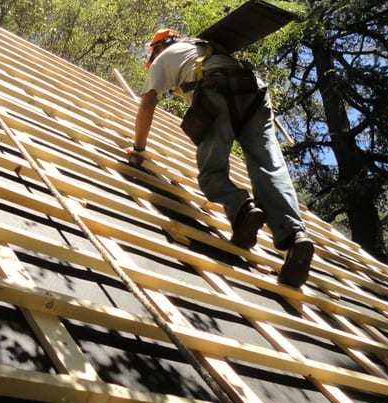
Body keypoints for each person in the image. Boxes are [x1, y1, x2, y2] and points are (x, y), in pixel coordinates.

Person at [127, 28, 314, 287]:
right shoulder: (204, 45)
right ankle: (295, 238)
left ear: (159, 47)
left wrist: (138, 151)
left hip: (217, 88)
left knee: (211, 174)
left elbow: (148, 103)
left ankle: (242, 209)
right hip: (253, 91)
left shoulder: (163, 58)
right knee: (268, 167)